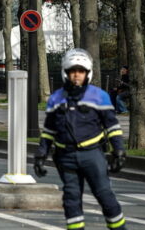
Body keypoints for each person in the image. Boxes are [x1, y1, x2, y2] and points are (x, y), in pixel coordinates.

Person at [34, 48, 127, 230]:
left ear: (88, 73)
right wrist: (41, 154)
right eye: (72, 71)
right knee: (71, 200)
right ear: (66, 73)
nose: (76, 75)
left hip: (92, 155)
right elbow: (49, 130)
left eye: (81, 71)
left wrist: (119, 150)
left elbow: (112, 126)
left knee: (104, 196)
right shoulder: (55, 99)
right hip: (65, 156)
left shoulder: (100, 96)